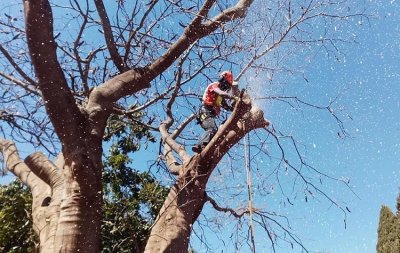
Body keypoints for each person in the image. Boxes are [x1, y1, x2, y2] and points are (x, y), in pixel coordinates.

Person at [192, 70, 238, 153]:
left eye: (228, 85)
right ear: (222, 80)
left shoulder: (220, 97)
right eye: (226, 83)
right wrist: (234, 97)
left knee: (216, 131)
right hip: (205, 111)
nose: (226, 87)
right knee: (212, 129)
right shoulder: (214, 86)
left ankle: (205, 147)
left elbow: (227, 107)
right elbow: (221, 93)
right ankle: (199, 145)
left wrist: (236, 109)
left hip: (209, 114)